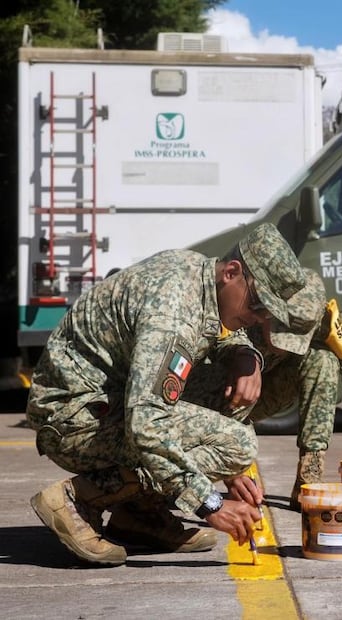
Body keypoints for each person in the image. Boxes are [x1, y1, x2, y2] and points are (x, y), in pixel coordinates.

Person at [26, 222, 306, 566]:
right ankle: (77, 499)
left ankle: (139, 514)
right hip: (73, 418)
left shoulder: (196, 273)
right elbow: (147, 421)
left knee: (224, 401)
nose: (258, 319)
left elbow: (210, 331)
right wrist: (209, 503)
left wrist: (244, 354)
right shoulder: (171, 313)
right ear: (231, 273)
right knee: (237, 444)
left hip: (102, 400)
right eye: (258, 306)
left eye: (267, 315)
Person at [180, 269, 342, 511]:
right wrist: (234, 471)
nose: (282, 345)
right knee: (242, 372)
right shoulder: (241, 307)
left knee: (323, 360)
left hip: (260, 394)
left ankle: (310, 475)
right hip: (207, 400)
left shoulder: (322, 317)